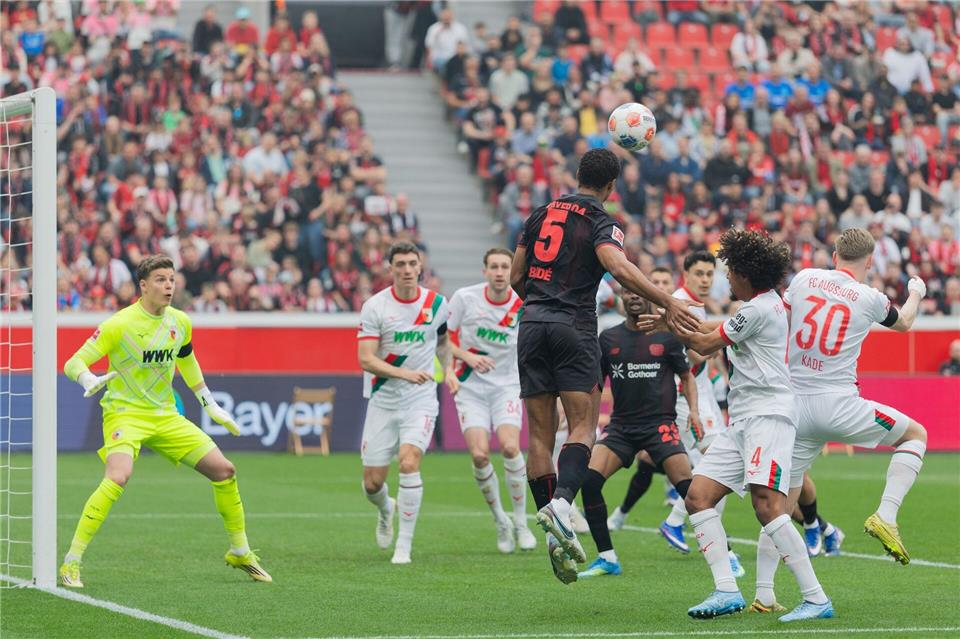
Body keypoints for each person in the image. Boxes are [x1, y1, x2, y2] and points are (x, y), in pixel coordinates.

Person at [509, 148, 701, 584]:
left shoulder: (540, 213)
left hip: (532, 323)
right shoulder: (602, 220)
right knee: (583, 426)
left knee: (538, 435)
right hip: (574, 326)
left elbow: (518, 277)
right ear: (612, 186)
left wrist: (541, 307)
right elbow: (616, 265)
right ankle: (561, 506)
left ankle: (554, 535)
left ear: (578, 175)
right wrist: (667, 301)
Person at [649, 229, 832, 622]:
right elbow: (707, 333)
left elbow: (703, 345)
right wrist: (671, 321)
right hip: (744, 420)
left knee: (767, 507)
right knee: (698, 496)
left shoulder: (757, 310)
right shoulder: (761, 305)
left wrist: (668, 322)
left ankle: (816, 597)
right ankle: (726, 591)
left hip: (768, 417)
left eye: (730, 271)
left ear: (746, 275)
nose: (725, 277)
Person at [59, 255, 271, 588]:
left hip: (165, 414)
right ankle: (72, 561)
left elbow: (187, 360)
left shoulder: (180, 322)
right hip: (125, 413)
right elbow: (73, 362)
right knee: (118, 476)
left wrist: (210, 404)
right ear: (143, 286)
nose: (168, 285)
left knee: (224, 470)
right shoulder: (119, 324)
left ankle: (240, 551)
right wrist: (87, 378)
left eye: (171, 279)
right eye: (160, 279)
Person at [753, 228, 928, 610]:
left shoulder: (804, 278)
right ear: (870, 261)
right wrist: (916, 292)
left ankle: (764, 594)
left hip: (794, 405)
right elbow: (904, 323)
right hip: (838, 405)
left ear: (834, 256)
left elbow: (781, 317)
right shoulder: (869, 297)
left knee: (780, 509)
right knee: (915, 435)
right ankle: (886, 515)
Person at [577, 291, 699, 578]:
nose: (633, 297)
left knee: (693, 493)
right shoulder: (608, 338)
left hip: (660, 426)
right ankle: (607, 558)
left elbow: (687, 376)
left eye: (637, 292)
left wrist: (694, 411)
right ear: (621, 297)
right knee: (590, 482)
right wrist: (589, 425)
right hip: (621, 427)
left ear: (647, 296)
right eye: (627, 292)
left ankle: (726, 553)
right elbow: (597, 385)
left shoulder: (666, 336)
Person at [357, 241, 452, 565]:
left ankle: (404, 546)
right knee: (372, 484)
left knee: (409, 463)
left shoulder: (437, 304)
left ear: (420, 266)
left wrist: (449, 370)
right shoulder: (375, 307)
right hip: (383, 400)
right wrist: (404, 373)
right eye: (401, 264)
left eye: (413, 263)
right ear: (391, 269)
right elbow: (366, 358)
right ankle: (386, 508)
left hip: (419, 401)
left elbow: (443, 342)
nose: (408, 270)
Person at [444, 248, 537, 554]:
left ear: (512, 271)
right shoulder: (464, 298)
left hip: (506, 385)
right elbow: (445, 338)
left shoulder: (523, 303)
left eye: (504, 267)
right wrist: (461, 360)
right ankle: (500, 520)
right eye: (493, 267)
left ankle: (521, 522)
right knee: (480, 455)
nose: (499, 272)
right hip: (470, 387)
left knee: (510, 447)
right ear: (484, 271)